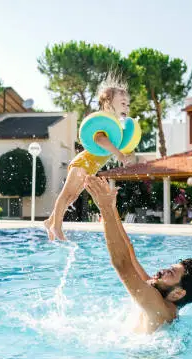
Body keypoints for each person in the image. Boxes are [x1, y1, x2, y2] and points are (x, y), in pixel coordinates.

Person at [84, 176, 192, 333]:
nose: (161, 271)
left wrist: (105, 208)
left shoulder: (159, 306)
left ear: (178, 293)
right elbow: (129, 252)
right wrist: (112, 208)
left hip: (143, 356)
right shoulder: (160, 293)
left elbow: (122, 264)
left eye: (170, 273)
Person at [44, 77, 133, 241]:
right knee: (66, 194)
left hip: (90, 167)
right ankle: (56, 226)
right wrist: (119, 154)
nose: (126, 107)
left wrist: (127, 152)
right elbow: (99, 140)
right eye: (122, 103)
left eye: (128, 104)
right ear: (108, 104)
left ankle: (49, 221)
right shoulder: (104, 123)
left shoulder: (117, 129)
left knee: (72, 197)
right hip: (83, 162)